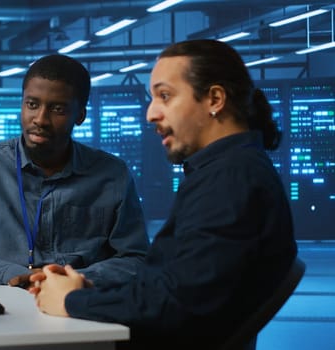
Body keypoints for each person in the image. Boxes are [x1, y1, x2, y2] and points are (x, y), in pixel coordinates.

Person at [29, 39, 298, 350]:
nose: (150, 114)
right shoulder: (229, 170)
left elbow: (175, 306)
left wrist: (72, 301)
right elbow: (178, 287)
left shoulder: (230, 181)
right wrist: (91, 294)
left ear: (214, 98)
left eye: (165, 96)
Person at [0, 54, 150, 287]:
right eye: (32, 104)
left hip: (85, 307)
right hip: (7, 311)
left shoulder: (112, 174)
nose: (40, 119)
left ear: (80, 115)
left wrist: (76, 279)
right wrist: (12, 274)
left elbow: (137, 259)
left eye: (57, 109)